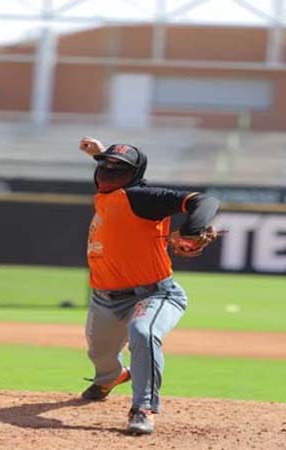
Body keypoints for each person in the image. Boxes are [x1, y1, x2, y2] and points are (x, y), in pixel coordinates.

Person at [77, 136, 220, 435]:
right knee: (100, 355)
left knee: (143, 332)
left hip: (154, 293)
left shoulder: (141, 198)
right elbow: (116, 171)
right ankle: (112, 377)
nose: (109, 170)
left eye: (119, 168)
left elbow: (205, 201)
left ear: (134, 174)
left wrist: (193, 229)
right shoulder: (109, 192)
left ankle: (143, 408)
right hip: (105, 298)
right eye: (106, 165)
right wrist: (102, 153)